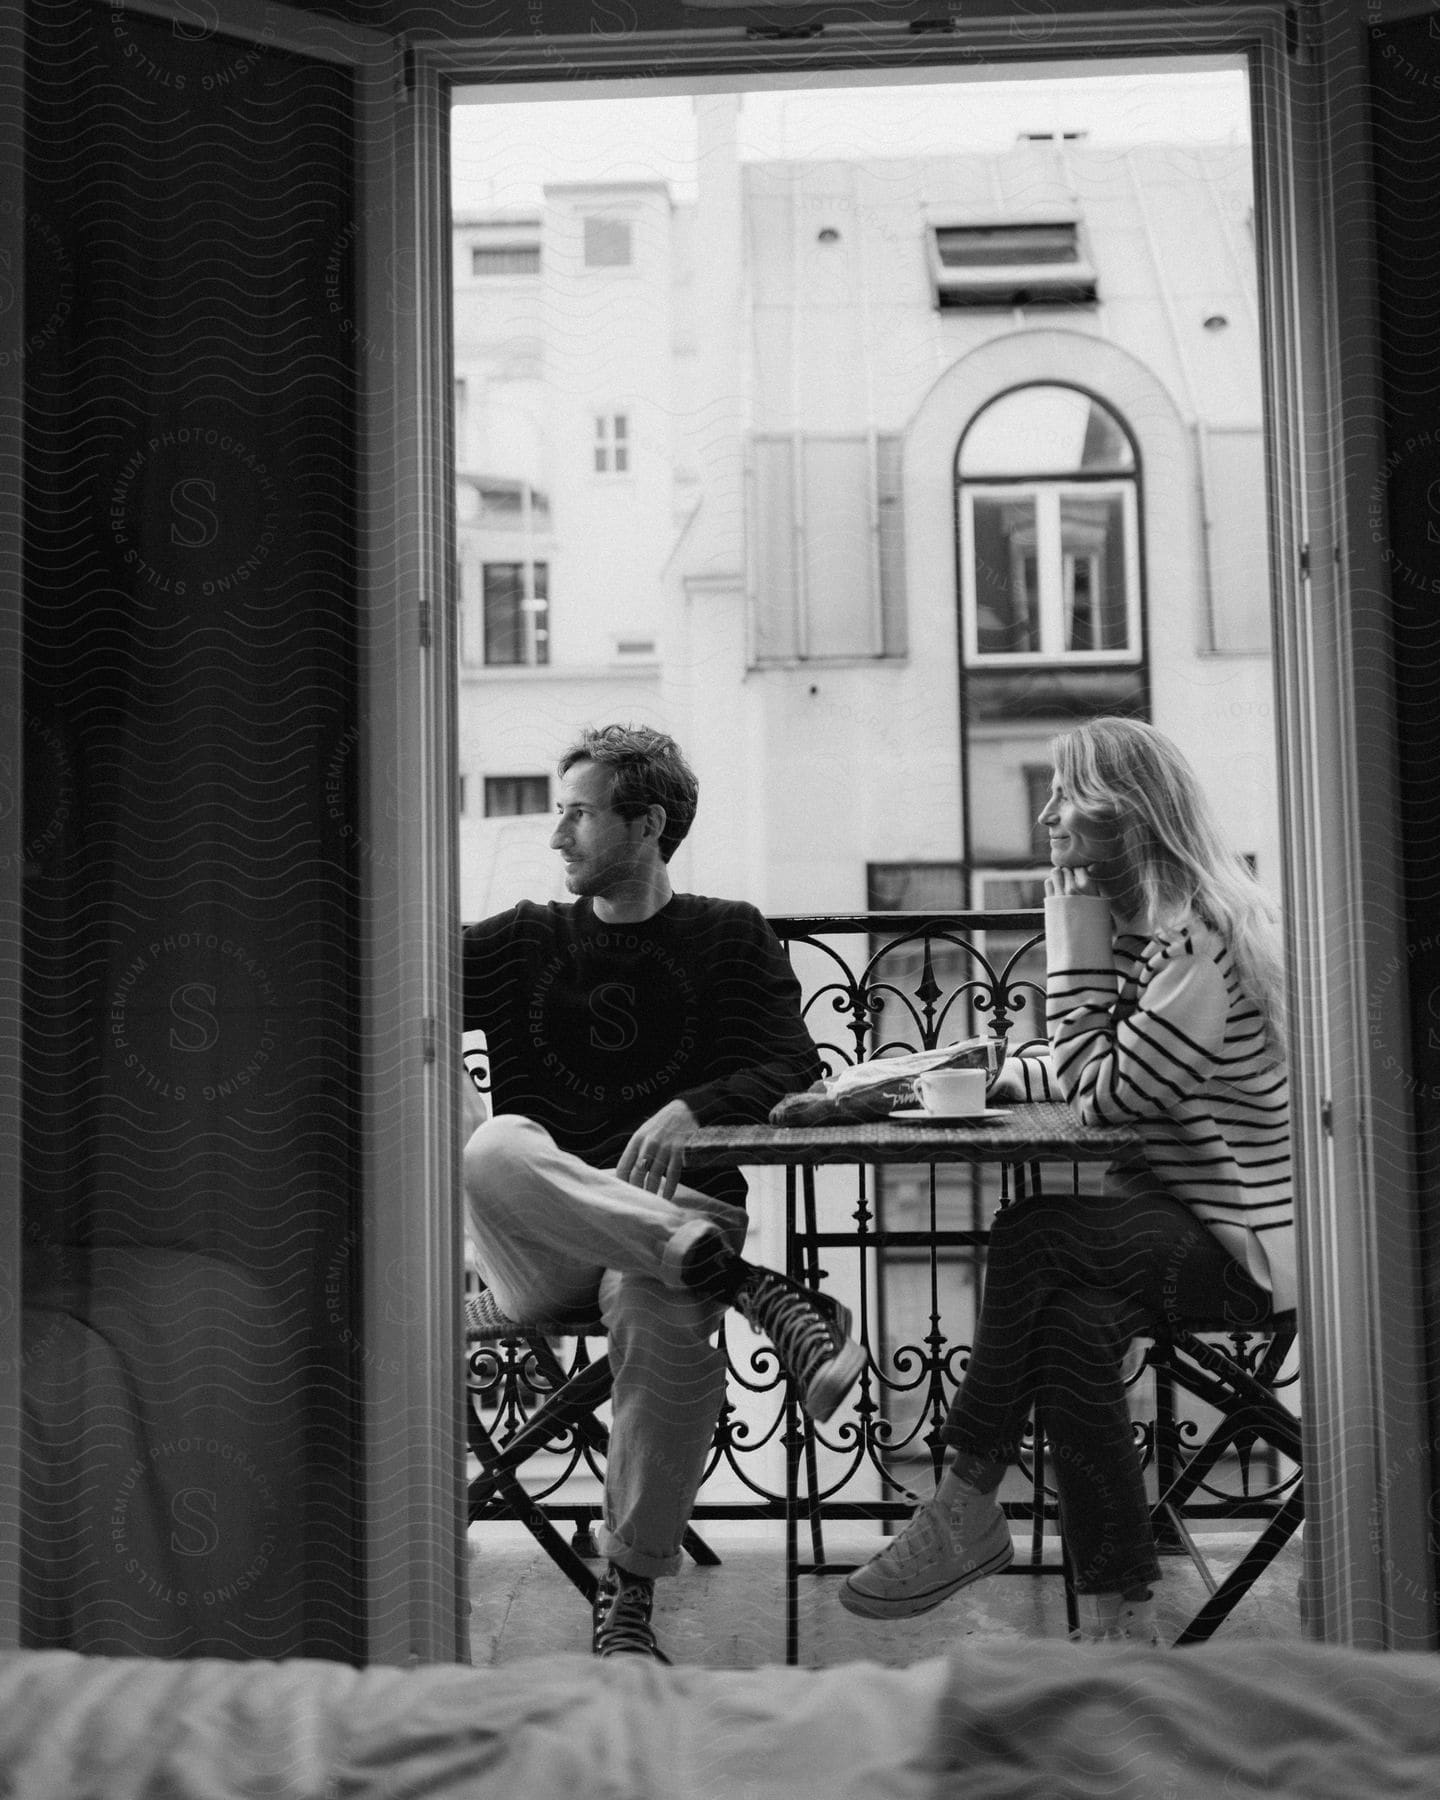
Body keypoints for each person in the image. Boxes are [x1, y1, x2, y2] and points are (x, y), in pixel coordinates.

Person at [838, 716, 1293, 1646]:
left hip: (1254, 1250)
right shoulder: (1150, 933)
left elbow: (1112, 1097)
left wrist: (1072, 942)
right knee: (1072, 1330)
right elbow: (1087, 1067)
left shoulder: (1193, 941)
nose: (1047, 814)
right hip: (1187, 1219)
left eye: (1067, 794)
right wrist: (981, 1075)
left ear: (1129, 818)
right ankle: (1118, 1620)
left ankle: (964, 1497)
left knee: (1033, 1233)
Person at [463, 723, 863, 1663]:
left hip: (687, 1226)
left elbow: (792, 1064)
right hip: (547, 1243)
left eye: (577, 814)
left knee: (655, 1305)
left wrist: (696, 1108)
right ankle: (755, 1290)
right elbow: (388, 969)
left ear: (647, 823)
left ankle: (629, 1591)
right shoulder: (524, 938)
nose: (557, 836)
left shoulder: (728, 934)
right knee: (495, 1147)